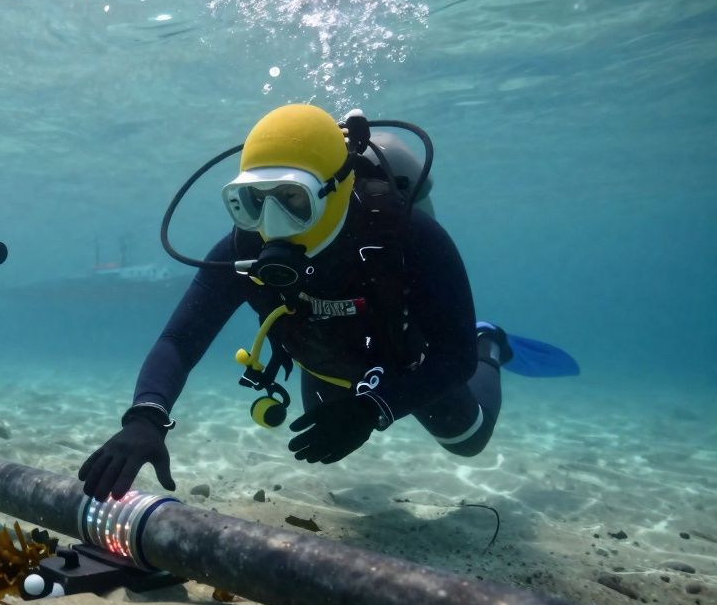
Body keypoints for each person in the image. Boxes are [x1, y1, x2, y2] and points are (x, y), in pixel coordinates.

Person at [79, 104, 576, 501]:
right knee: (323, 430)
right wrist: (146, 416)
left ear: (336, 191)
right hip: (323, 358)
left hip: (406, 359)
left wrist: (375, 408)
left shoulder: (409, 235)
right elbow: (179, 339)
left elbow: (453, 357)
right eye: (253, 200)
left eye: (293, 200)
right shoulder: (243, 248)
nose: (270, 223)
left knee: (469, 441)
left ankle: (493, 338)